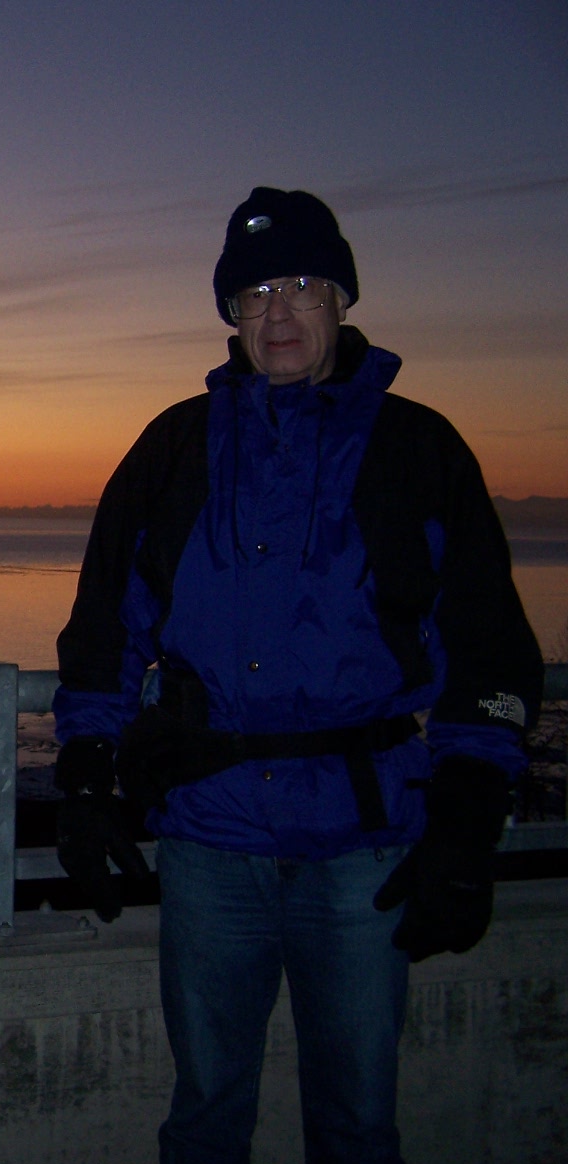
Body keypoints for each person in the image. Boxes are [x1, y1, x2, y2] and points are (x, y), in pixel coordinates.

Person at [51, 187, 543, 1163]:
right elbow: (106, 628)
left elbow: (484, 644)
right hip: (209, 837)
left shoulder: (418, 449)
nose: (278, 312)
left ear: (343, 300)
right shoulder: (173, 448)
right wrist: (86, 776)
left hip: (364, 845)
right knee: (204, 1113)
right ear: (230, 314)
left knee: (357, 1120)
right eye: (256, 293)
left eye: (304, 286)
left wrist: (466, 817)